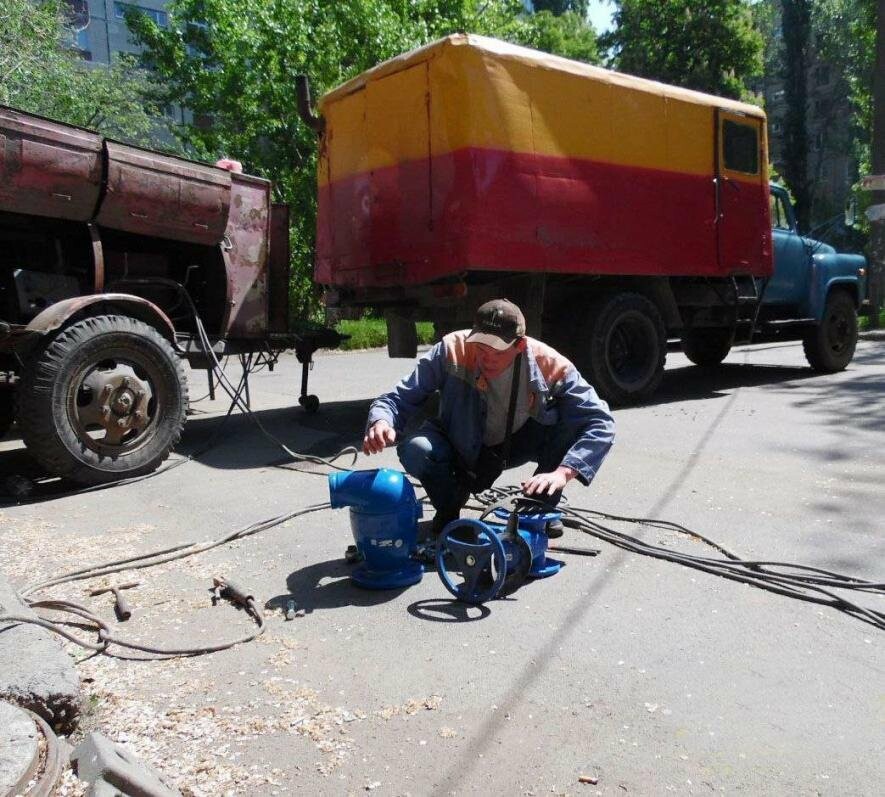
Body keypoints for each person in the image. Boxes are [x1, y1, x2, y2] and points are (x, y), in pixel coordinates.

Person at [363, 299, 615, 534]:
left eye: (497, 349)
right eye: (481, 346)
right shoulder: (452, 348)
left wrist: (563, 473)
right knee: (417, 449)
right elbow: (396, 398)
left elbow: (600, 422)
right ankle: (449, 508)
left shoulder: (548, 362)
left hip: (517, 441)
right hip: (460, 438)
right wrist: (381, 421)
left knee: (571, 423)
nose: (487, 356)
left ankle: (540, 506)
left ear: (520, 346)